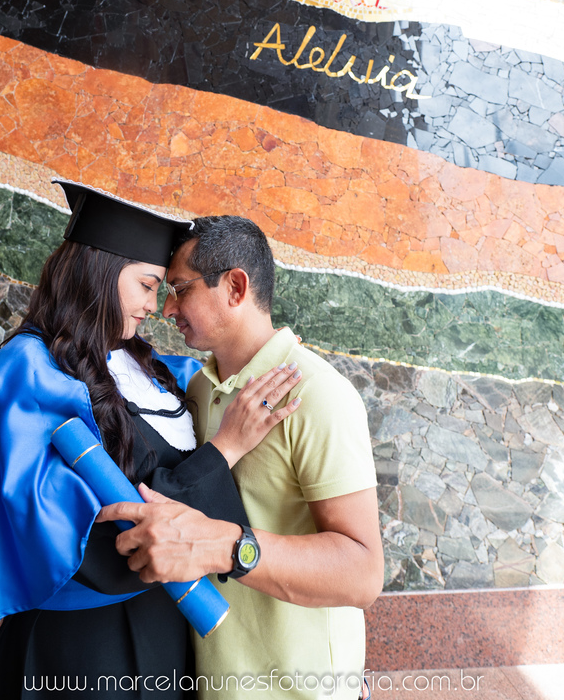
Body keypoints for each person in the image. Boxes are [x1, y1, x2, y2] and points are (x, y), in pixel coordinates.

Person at [0, 184, 303, 700]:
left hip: (168, 632)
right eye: (148, 285)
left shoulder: (148, 368)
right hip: (80, 650)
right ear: (101, 271)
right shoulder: (31, 374)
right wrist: (226, 448)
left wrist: (270, 356)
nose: (157, 306)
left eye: (167, 289)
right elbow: (98, 538)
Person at [99, 216, 383, 700]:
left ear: (235, 286)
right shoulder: (198, 388)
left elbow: (363, 573)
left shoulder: (316, 395)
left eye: (181, 289)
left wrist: (229, 546)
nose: (166, 308)